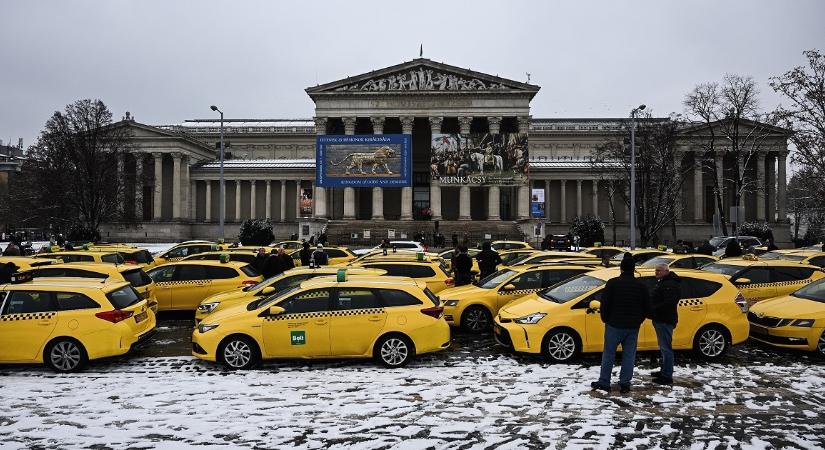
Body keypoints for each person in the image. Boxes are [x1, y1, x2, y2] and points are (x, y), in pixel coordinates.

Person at [591, 252, 650, 394]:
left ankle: (604, 382)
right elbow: (646, 307)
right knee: (629, 355)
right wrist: (638, 320)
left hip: (614, 325)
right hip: (632, 326)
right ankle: (625, 383)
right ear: (633, 270)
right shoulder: (641, 286)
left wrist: (605, 319)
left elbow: (605, 303)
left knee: (609, 354)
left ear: (621, 269)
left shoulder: (612, 283)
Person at [650, 263, 681, 385]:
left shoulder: (670, 284)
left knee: (666, 347)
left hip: (665, 319)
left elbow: (669, 303)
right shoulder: (664, 282)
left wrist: (654, 309)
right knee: (663, 346)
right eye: (656, 270)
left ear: (666, 271)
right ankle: (664, 371)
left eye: (659, 270)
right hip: (661, 318)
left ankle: (667, 375)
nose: (656, 272)